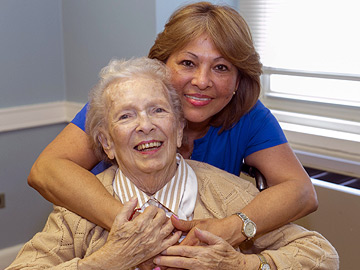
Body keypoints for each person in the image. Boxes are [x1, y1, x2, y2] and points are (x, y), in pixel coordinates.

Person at [27, 2, 318, 246]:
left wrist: (231, 228)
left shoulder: (249, 115)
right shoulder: (121, 103)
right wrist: (129, 224)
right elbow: (46, 170)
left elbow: (301, 191)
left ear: (238, 80)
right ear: (162, 64)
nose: (202, 82)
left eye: (221, 68)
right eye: (188, 63)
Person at [7, 58, 338, 270]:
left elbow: (322, 255)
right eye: (126, 116)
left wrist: (242, 266)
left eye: (158, 110)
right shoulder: (77, 210)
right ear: (106, 142)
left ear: (180, 130)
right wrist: (109, 261)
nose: (145, 125)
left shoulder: (231, 195)